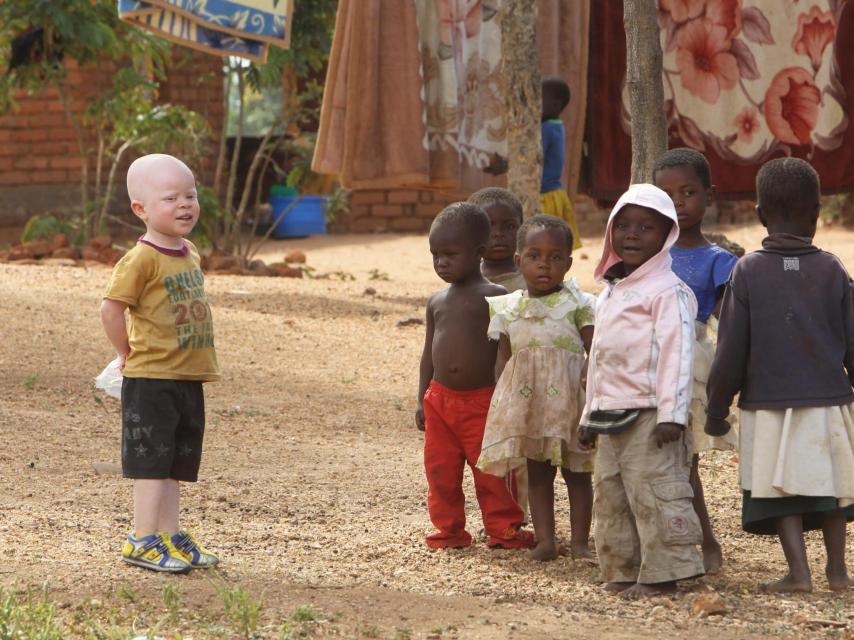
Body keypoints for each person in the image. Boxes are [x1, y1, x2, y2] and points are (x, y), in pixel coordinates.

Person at [705, 158, 854, 593]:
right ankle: (839, 573)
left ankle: (799, 574)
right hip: (829, 399)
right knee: (830, 486)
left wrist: (717, 410)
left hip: (769, 403)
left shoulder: (747, 271)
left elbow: (730, 351)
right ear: (817, 212)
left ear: (758, 213)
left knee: (782, 487)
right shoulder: (832, 268)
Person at [581, 183, 704, 599]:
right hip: (610, 413)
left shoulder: (667, 291)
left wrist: (673, 414)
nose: (632, 235)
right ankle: (622, 569)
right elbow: (598, 356)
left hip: (652, 415)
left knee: (654, 491)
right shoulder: (610, 290)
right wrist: (588, 415)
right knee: (612, 494)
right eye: (624, 226)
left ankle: (662, 574)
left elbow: (678, 353)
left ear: (667, 233)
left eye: (646, 227)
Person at [100, 154, 220, 573]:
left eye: (190, 195)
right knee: (151, 463)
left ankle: (168, 534)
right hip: (151, 378)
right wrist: (124, 353)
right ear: (141, 209)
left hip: (187, 377)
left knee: (175, 462)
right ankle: (141, 539)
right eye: (170, 197)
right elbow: (111, 309)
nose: (185, 204)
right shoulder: (140, 259)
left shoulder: (190, 253)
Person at [416, 202, 534, 550]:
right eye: (435, 255)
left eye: (450, 254)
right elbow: (428, 353)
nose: (441, 262)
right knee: (440, 473)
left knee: (493, 472)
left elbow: (509, 350)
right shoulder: (437, 301)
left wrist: (509, 397)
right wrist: (421, 398)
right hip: (440, 402)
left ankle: (504, 529)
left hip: (483, 402)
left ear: (478, 253)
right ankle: (449, 530)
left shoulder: (499, 298)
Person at [477, 215, 595, 562]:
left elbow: (595, 350)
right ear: (518, 261)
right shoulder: (509, 307)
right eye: (534, 255)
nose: (545, 264)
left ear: (568, 263)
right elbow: (505, 360)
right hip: (531, 406)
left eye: (555, 257)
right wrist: (505, 399)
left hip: (570, 405)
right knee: (539, 473)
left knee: (578, 473)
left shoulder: (578, 303)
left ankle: (580, 543)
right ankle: (545, 542)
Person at [652, 148, 738, 575]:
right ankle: (654, 542)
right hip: (642, 365)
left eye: (688, 192)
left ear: (709, 196)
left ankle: (704, 539)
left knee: (684, 460)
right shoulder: (644, 253)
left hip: (688, 366)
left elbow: (732, 325)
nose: (678, 202)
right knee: (642, 459)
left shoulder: (718, 261)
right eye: (667, 195)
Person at [540, 77, 581, 251]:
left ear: (556, 105)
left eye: (539, 99)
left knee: (541, 245)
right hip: (554, 193)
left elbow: (532, 157)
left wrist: (504, 165)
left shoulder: (546, 129)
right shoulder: (557, 126)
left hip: (544, 197)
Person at [469, 187, 526, 293]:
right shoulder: (467, 278)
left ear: (521, 229)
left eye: (509, 226)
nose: (498, 233)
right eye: (488, 227)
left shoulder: (531, 275)